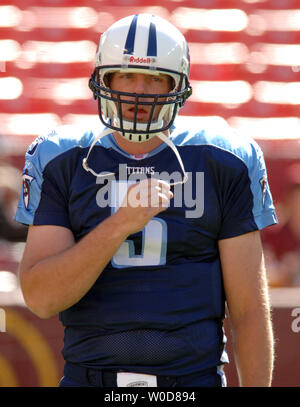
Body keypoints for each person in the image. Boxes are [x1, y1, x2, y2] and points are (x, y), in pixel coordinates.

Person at [15, 14, 277, 387]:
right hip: (90, 381)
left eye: (155, 79)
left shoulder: (224, 158)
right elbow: (41, 298)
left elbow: (249, 310)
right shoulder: (62, 158)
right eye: (126, 75)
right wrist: (120, 224)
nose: (139, 91)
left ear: (179, 87)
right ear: (102, 80)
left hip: (191, 383)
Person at [262, 162, 300, 287]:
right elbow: (262, 277)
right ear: (288, 199)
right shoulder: (273, 235)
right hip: (282, 303)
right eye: (296, 197)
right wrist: (286, 270)